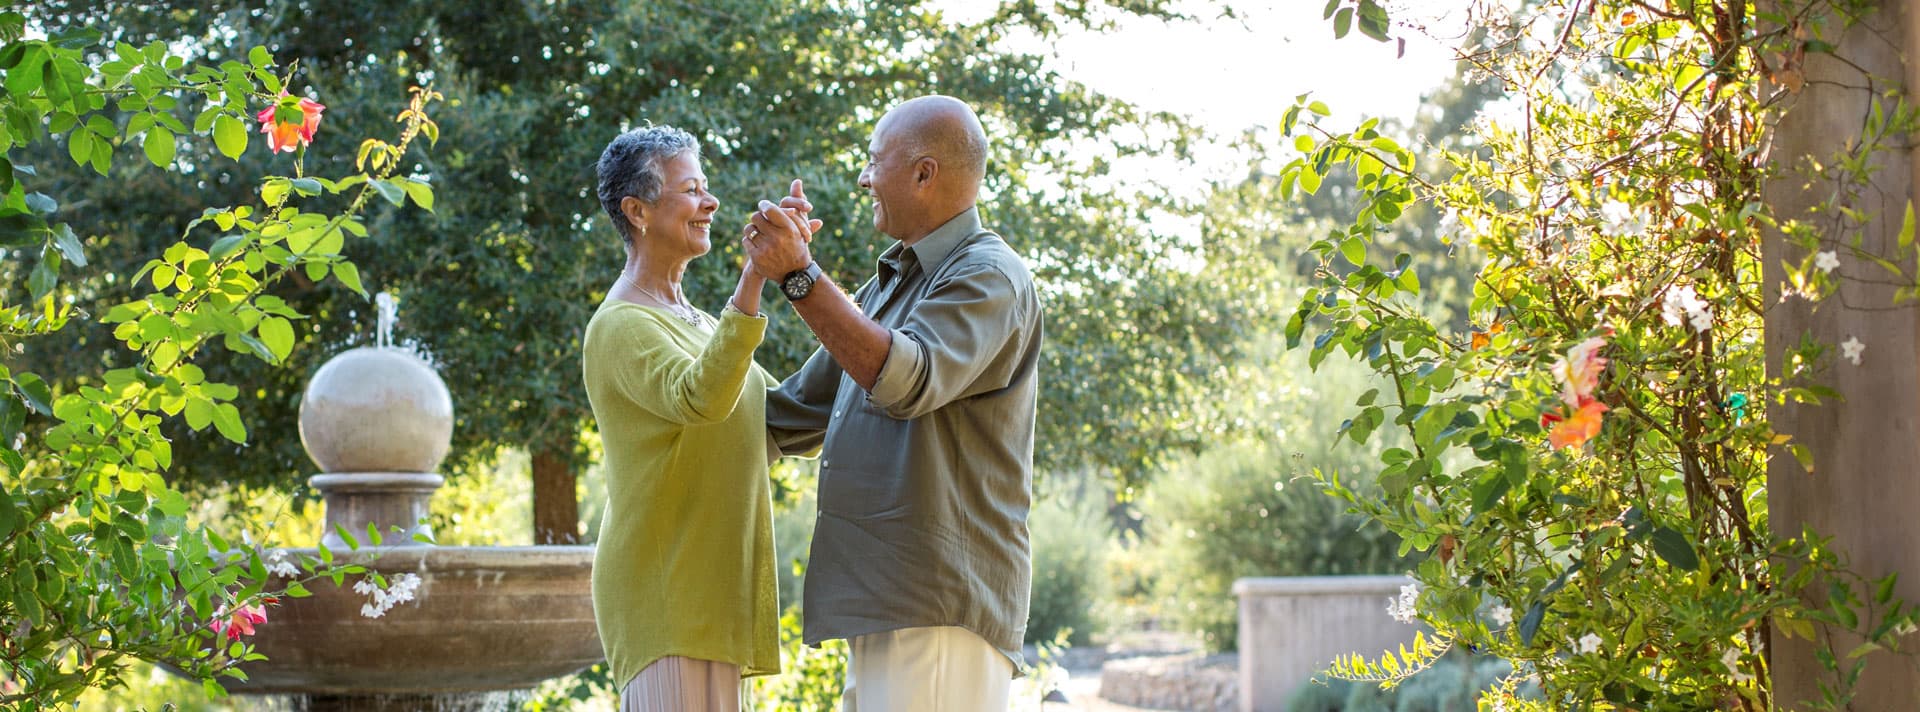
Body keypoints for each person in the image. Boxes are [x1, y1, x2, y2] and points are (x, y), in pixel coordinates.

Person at [742, 95, 1044, 711]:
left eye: (874, 161)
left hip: (939, 611)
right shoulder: (889, 286)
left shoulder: (990, 275)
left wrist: (800, 276)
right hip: (888, 607)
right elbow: (787, 415)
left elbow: (906, 379)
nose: (863, 177)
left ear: (924, 173)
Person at [581, 125, 812, 711]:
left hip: (709, 592)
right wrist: (757, 274)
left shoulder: (702, 323)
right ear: (638, 210)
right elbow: (700, 399)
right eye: (691, 189)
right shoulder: (620, 326)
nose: (710, 202)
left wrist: (808, 277)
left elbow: (776, 420)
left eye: (705, 187)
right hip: (665, 594)